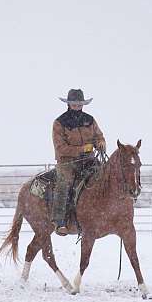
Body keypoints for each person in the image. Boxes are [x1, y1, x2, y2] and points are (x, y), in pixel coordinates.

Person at [52, 89, 106, 235]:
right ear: (69, 104)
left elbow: (99, 136)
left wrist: (100, 143)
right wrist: (82, 149)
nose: (76, 106)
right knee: (63, 184)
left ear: (83, 104)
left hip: (89, 160)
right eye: (74, 104)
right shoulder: (59, 123)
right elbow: (61, 148)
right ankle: (60, 221)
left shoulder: (90, 120)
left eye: (79, 104)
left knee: (107, 176)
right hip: (67, 163)